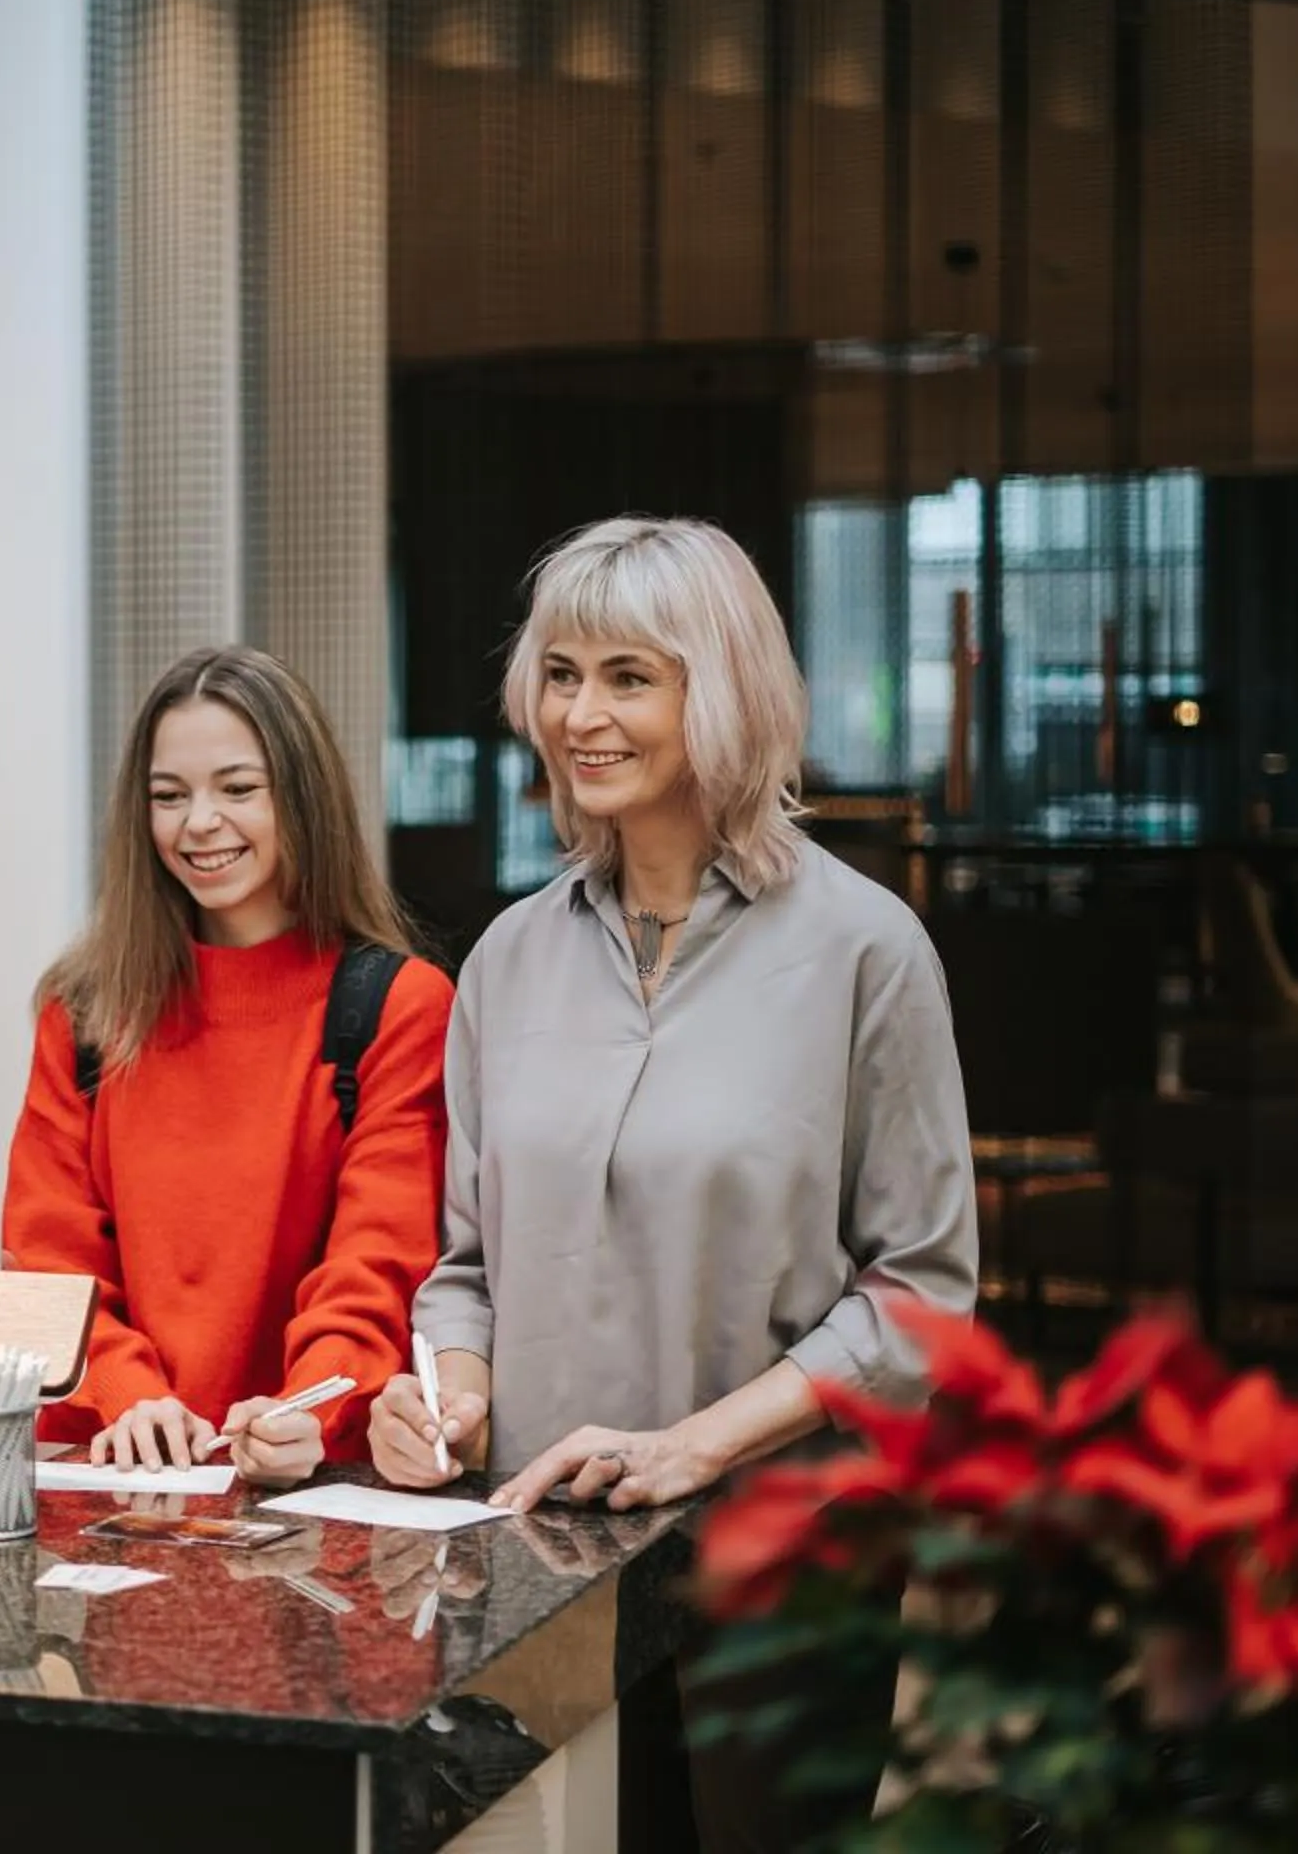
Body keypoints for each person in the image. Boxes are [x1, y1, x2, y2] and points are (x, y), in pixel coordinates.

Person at [365, 515, 979, 1851]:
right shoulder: (510, 961)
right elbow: (465, 1269)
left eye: (630, 676)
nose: (582, 713)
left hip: (788, 1565)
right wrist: (448, 1401)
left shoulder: (868, 952)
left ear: (727, 690)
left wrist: (690, 1447)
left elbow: (921, 1300)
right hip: (542, 1577)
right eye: (563, 674)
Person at [2, 645, 448, 1486]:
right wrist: (127, 1393)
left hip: (308, 1478)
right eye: (169, 797)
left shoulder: (398, 1003)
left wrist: (304, 1408)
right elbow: (49, 1256)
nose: (199, 822)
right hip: (108, 1467)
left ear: (302, 798)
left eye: (238, 789)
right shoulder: (86, 1008)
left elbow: (381, 1259)